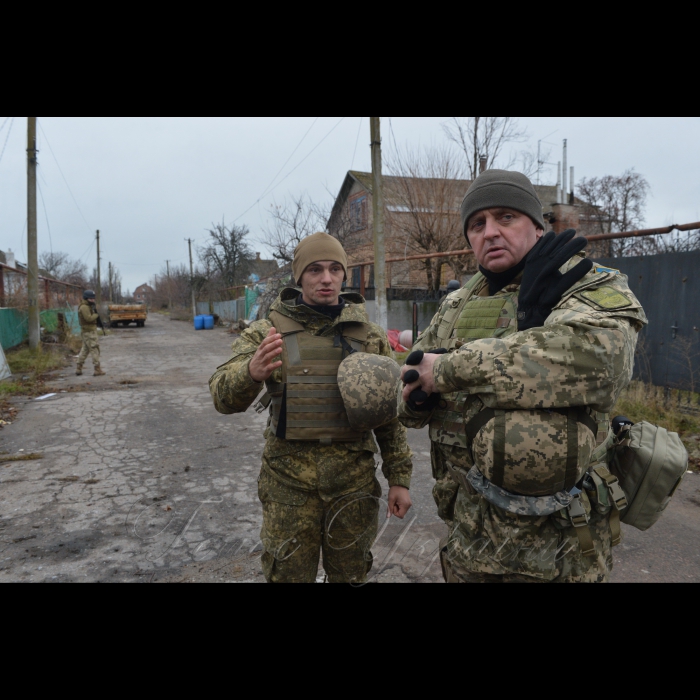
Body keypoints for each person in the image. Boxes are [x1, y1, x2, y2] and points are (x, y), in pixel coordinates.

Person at [399, 170, 648, 584]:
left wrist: (446, 371)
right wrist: (416, 396)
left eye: (505, 217)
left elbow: (604, 362)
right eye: (477, 224)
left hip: (556, 546)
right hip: (469, 536)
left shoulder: (585, 282)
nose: (490, 232)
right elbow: (409, 386)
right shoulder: (457, 304)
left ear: (536, 226)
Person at [210, 232, 413, 584]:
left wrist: (399, 479)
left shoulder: (370, 336)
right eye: (315, 269)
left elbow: (388, 416)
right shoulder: (266, 333)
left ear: (344, 275)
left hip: (353, 486)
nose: (326, 278)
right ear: (299, 276)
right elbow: (222, 398)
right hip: (288, 488)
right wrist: (250, 372)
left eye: (335, 269)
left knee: (351, 576)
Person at [77, 290, 106, 377]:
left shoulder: (88, 306)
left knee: (85, 350)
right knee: (94, 349)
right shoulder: (84, 307)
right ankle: (97, 369)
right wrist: (96, 315)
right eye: (91, 298)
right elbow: (89, 318)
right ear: (86, 298)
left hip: (88, 331)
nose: (93, 300)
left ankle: (79, 368)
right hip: (89, 331)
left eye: (93, 298)